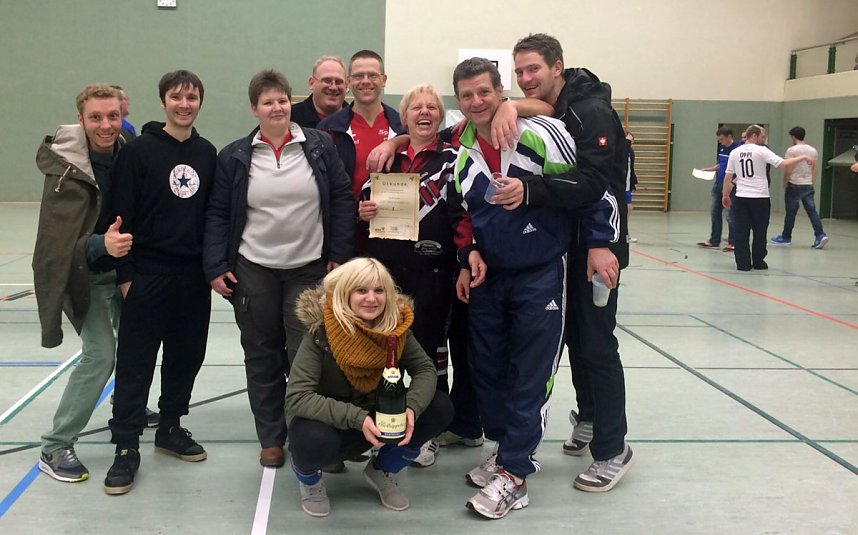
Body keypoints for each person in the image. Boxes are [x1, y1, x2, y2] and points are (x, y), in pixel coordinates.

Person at [452, 57, 619, 520]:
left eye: (484, 92)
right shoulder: (461, 148)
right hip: (490, 277)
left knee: (530, 373)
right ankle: (508, 449)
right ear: (459, 101)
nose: (476, 102)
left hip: (540, 272)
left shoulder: (541, 132)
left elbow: (591, 189)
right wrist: (469, 254)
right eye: (467, 95)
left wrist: (601, 243)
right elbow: (463, 214)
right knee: (486, 370)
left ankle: (516, 473)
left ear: (500, 90)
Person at [495, 33, 632, 494]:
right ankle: (590, 418)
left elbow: (601, 183)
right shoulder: (561, 105)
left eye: (533, 69)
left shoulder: (591, 111)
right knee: (574, 338)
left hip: (599, 245)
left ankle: (614, 449)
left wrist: (600, 243)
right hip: (566, 247)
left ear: (558, 66)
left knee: (596, 344)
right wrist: (513, 105)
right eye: (519, 72)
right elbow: (547, 114)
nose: (526, 78)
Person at [203, 69, 354, 469]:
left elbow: (340, 197)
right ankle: (271, 437)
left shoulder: (319, 146)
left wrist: (338, 254)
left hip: (308, 271)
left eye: (283, 99)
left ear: (292, 102)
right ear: (255, 109)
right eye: (268, 101)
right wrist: (216, 266)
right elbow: (218, 213)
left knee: (309, 357)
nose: (277, 107)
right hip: (253, 271)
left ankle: (316, 440)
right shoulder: (235, 156)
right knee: (261, 355)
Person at [105, 70, 217, 495]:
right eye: (176, 97)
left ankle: (170, 426)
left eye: (192, 97)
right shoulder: (137, 153)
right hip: (146, 275)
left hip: (192, 278)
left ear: (199, 103)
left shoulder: (208, 154)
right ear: (163, 101)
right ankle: (125, 447)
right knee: (136, 362)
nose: (184, 104)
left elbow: (213, 217)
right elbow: (121, 216)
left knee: (186, 357)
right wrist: (126, 277)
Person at [357, 84, 475, 468]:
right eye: (415, 108)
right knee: (383, 350)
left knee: (428, 353)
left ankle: (425, 431)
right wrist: (366, 210)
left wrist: (462, 261)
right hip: (388, 273)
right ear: (403, 117)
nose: (424, 113)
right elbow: (363, 198)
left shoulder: (455, 158)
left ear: (440, 116)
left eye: (431, 107)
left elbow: (463, 215)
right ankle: (386, 423)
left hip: (434, 273)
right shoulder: (386, 157)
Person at [285, 257, 453, 517]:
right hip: (332, 424)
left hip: (378, 420)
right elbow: (297, 397)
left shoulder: (396, 330)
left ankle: (382, 469)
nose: (371, 299)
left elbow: (425, 370)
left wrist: (411, 409)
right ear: (345, 294)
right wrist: (356, 418)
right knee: (312, 440)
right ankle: (310, 481)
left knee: (440, 407)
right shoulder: (321, 332)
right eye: (361, 290)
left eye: (379, 290)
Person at [33, 84, 132, 483]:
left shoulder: (128, 152)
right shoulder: (65, 171)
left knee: (138, 345)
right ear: (80, 119)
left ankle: (128, 412)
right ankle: (55, 445)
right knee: (99, 356)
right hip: (85, 274)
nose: (106, 125)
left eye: (113, 116)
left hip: (124, 271)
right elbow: (58, 243)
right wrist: (100, 244)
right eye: (96, 117)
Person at [722, 125, 812, 271]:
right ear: (754, 135)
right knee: (760, 230)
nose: (763, 140)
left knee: (741, 231)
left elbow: (728, 176)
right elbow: (783, 164)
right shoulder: (762, 150)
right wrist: (802, 157)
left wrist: (725, 195)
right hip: (760, 198)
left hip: (741, 197)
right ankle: (758, 261)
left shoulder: (735, 152)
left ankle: (743, 263)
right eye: (762, 136)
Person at [318, 50, 404, 201]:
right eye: (358, 76)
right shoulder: (328, 130)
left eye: (372, 75)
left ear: (383, 80)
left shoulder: (402, 127)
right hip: (346, 221)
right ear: (348, 82)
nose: (365, 81)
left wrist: (394, 142)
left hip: (393, 220)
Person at [771, 126, 828, 249]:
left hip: (794, 184)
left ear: (793, 136)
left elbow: (788, 169)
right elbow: (814, 168)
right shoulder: (813, 150)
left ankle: (786, 237)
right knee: (812, 211)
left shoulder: (792, 150)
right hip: (807, 184)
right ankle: (820, 234)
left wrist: (785, 182)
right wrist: (811, 181)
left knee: (790, 212)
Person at [697, 127, 741, 251]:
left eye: (722, 139)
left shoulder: (737, 149)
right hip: (718, 184)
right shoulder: (722, 148)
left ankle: (733, 242)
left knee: (730, 214)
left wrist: (733, 183)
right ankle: (714, 240)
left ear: (729, 136)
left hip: (730, 186)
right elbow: (721, 164)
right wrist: (710, 169)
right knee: (715, 212)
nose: (720, 142)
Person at [290, 56, 349, 129]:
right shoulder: (290, 119)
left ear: (346, 85)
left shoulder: (357, 119)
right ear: (311, 83)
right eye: (327, 81)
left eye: (338, 82)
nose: (333, 87)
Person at [625, 130, 638, 243]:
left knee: (629, 209)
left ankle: (626, 233)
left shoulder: (631, 152)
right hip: (620, 187)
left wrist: (633, 182)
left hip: (627, 186)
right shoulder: (619, 152)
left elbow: (631, 170)